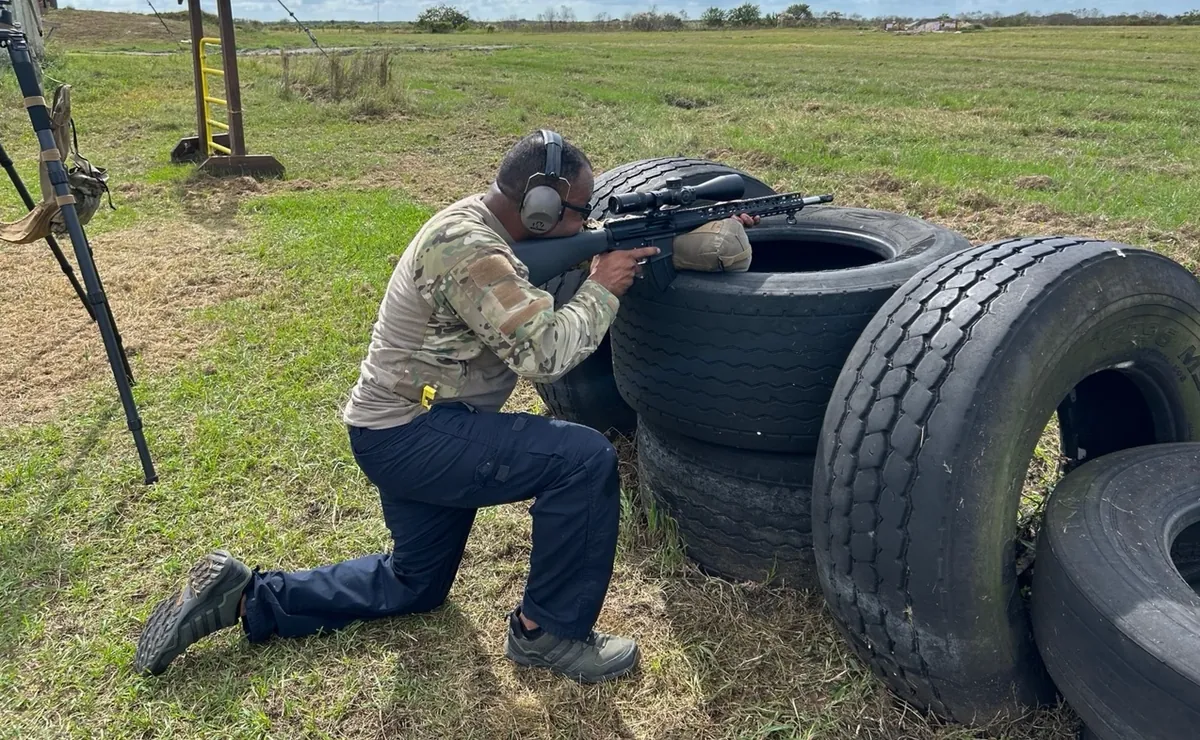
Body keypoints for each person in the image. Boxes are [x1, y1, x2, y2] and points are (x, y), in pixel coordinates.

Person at [133, 130, 757, 684]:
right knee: (583, 459)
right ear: (537, 210)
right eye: (577, 210)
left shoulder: (485, 229)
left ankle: (245, 597)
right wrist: (603, 282)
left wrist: (683, 240)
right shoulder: (467, 249)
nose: (585, 220)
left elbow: (537, 296)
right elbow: (545, 355)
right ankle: (549, 634)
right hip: (414, 433)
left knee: (415, 584)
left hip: (401, 428)